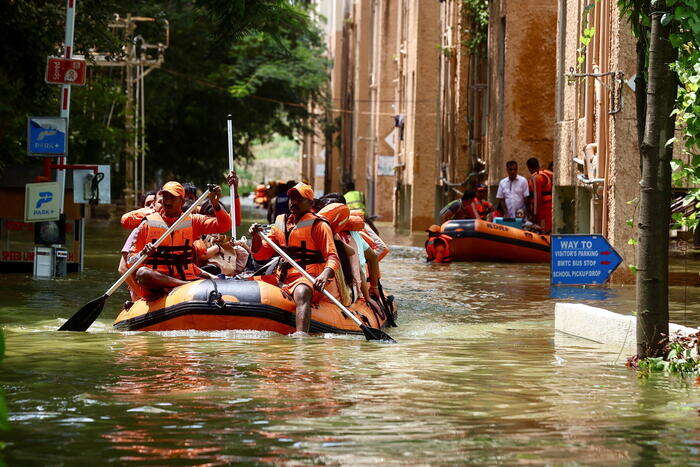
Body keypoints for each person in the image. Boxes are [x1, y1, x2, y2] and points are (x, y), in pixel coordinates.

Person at [249, 182, 340, 334]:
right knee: (251, 285)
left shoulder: (319, 225)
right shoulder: (281, 224)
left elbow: (333, 257)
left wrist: (324, 275)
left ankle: (301, 337)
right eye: (292, 198)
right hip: (284, 277)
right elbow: (261, 254)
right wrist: (256, 238)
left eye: (299, 198)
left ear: (310, 202)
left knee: (302, 292)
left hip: (310, 277)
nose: (294, 202)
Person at [129, 180, 232, 299]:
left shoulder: (194, 221)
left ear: (182, 202)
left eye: (172, 198)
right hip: (158, 285)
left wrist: (215, 204)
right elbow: (131, 261)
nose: (167, 201)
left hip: (186, 276)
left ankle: (183, 286)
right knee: (142, 273)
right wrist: (143, 254)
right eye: (165, 197)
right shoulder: (147, 224)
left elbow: (225, 226)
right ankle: (185, 286)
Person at [526, 157, 553, 233]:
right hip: (550, 205)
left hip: (543, 208)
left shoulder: (536, 178)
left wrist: (535, 214)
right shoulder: (547, 174)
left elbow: (537, 197)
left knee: (543, 230)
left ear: (529, 168)